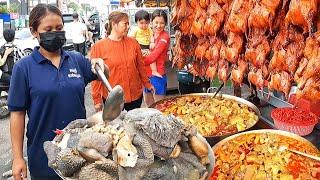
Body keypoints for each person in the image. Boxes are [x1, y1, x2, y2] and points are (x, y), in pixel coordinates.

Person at [9, 4, 107, 180]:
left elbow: (102, 75)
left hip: (80, 151)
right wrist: (17, 157)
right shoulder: (23, 68)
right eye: (48, 29)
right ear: (34, 31)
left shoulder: (76, 60)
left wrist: (101, 64)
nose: (55, 32)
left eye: (59, 28)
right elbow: (17, 114)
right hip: (43, 155)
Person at [90, 11, 154, 112]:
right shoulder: (99, 47)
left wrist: (147, 84)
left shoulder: (133, 43)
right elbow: (96, 76)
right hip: (113, 98)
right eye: (125, 23)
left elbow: (140, 66)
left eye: (129, 23)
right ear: (114, 24)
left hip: (135, 95)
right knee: (116, 126)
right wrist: (97, 99)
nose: (128, 26)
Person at [143, 9, 170, 107]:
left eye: (162, 23)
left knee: (159, 107)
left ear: (165, 23)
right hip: (147, 75)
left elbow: (154, 56)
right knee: (148, 104)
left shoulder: (165, 37)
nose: (159, 26)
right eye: (156, 22)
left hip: (157, 75)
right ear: (151, 22)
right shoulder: (150, 34)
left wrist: (139, 61)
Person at [129, 10, 162, 78]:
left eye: (146, 23)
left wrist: (152, 42)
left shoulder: (149, 29)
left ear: (149, 22)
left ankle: (154, 70)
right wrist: (137, 48)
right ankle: (136, 73)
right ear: (136, 22)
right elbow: (131, 39)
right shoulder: (135, 29)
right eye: (141, 23)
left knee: (152, 58)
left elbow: (151, 36)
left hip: (147, 46)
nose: (144, 25)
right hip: (139, 46)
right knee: (137, 61)